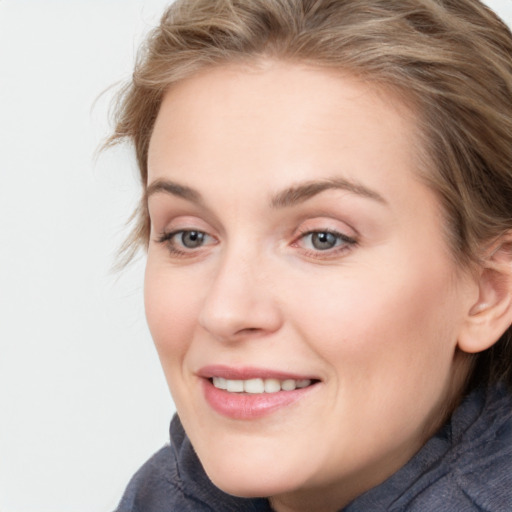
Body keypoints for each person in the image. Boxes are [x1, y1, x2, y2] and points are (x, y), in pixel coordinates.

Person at [109, 0, 512, 510]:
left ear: (488, 291)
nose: (225, 311)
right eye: (189, 236)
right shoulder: (164, 494)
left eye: (324, 238)